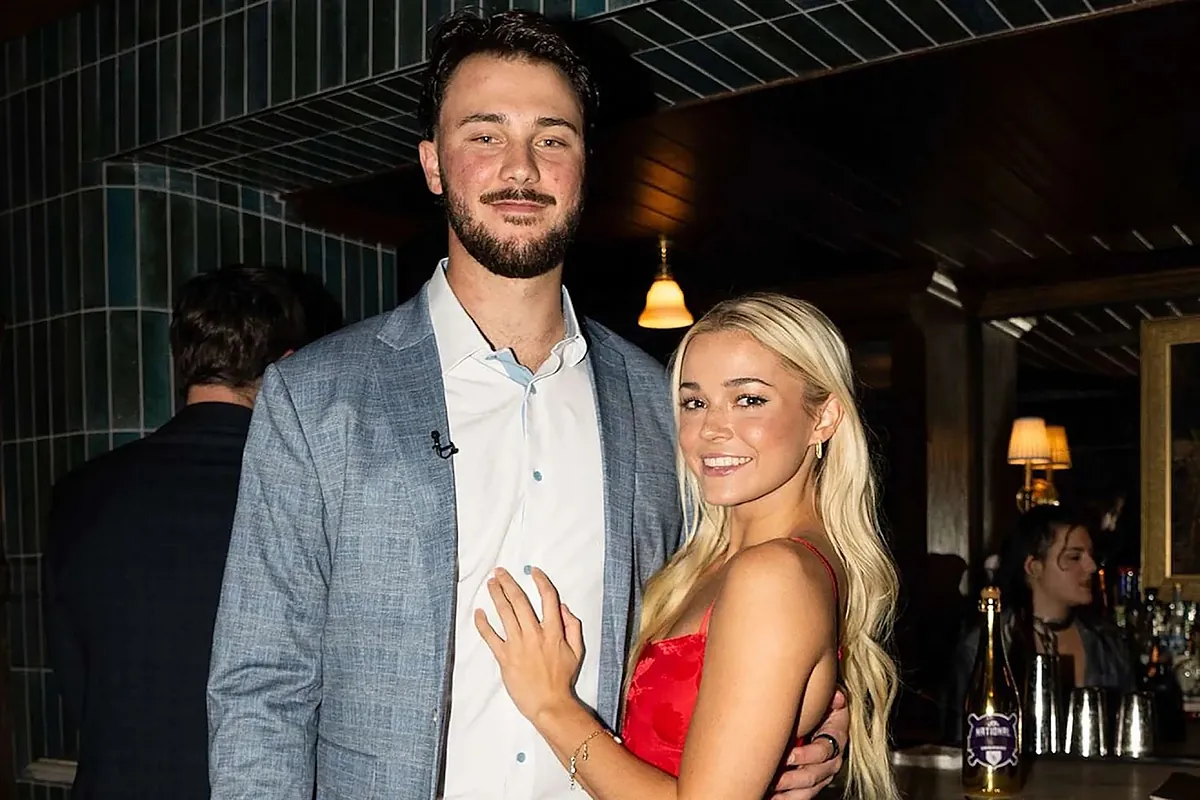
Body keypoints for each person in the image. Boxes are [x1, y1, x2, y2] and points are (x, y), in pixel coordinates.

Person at [206, 10, 848, 800]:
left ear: (584, 167)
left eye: (552, 138)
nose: (521, 167)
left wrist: (816, 722)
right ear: (433, 165)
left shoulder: (663, 406)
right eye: (485, 135)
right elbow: (260, 689)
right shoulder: (317, 399)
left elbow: (743, 598)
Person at [477, 293, 901, 799]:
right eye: (695, 402)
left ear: (824, 418)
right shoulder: (711, 560)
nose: (711, 429)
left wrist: (552, 706)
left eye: (749, 400)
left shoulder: (776, 573)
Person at [43, 265, 311, 799]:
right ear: (287, 366)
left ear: (183, 361)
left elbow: (76, 680)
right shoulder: (302, 496)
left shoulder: (79, 493)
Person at [949, 504, 1136, 738]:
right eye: (1074, 557)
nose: (1091, 566)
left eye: (1091, 556)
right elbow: (965, 738)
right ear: (1033, 567)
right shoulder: (987, 644)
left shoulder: (1107, 643)